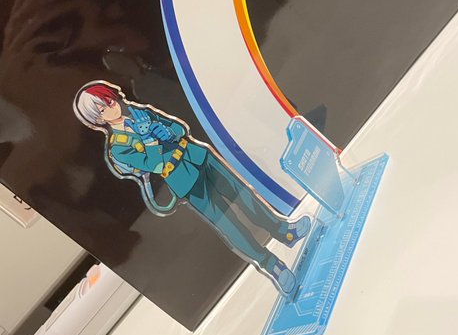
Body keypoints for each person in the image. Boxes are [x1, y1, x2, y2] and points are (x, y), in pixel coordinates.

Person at [73, 81, 310, 295]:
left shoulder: (139, 112)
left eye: (109, 101)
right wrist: (150, 140)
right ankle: (271, 264)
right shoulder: (118, 148)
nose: (111, 107)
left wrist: (167, 132)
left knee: (245, 197)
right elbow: (154, 164)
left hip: (198, 156)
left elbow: (179, 129)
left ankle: (284, 231)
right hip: (182, 178)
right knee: (228, 223)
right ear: (98, 119)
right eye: (102, 109)